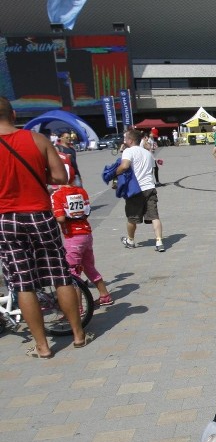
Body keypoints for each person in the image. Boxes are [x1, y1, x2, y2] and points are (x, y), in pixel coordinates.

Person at [0, 96, 91, 357]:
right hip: (39, 215)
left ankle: (42, 346)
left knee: (23, 283)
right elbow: (62, 176)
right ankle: (78, 334)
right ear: (14, 114)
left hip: (6, 220)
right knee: (60, 275)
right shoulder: (37, 140)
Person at [49, 158, 114, 307]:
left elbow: (60, 218)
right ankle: (105, 295)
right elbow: (87, 211)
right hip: (86, 234)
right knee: (89, 267)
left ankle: (77, 308)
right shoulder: (81, 191)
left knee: (72, 274)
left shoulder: (57, 195)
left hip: (72, 238)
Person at [115, 129, 166, 252]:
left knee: (132, 217)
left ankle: (130, 240)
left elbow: (125, 166)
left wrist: (115, 173)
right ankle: (159, 241)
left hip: (135, 189)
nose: (124, 140)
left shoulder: (128, 151)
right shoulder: (147, 153)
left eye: (126, 138)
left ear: (131, 140)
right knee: (154, 216)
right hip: (150, 187)